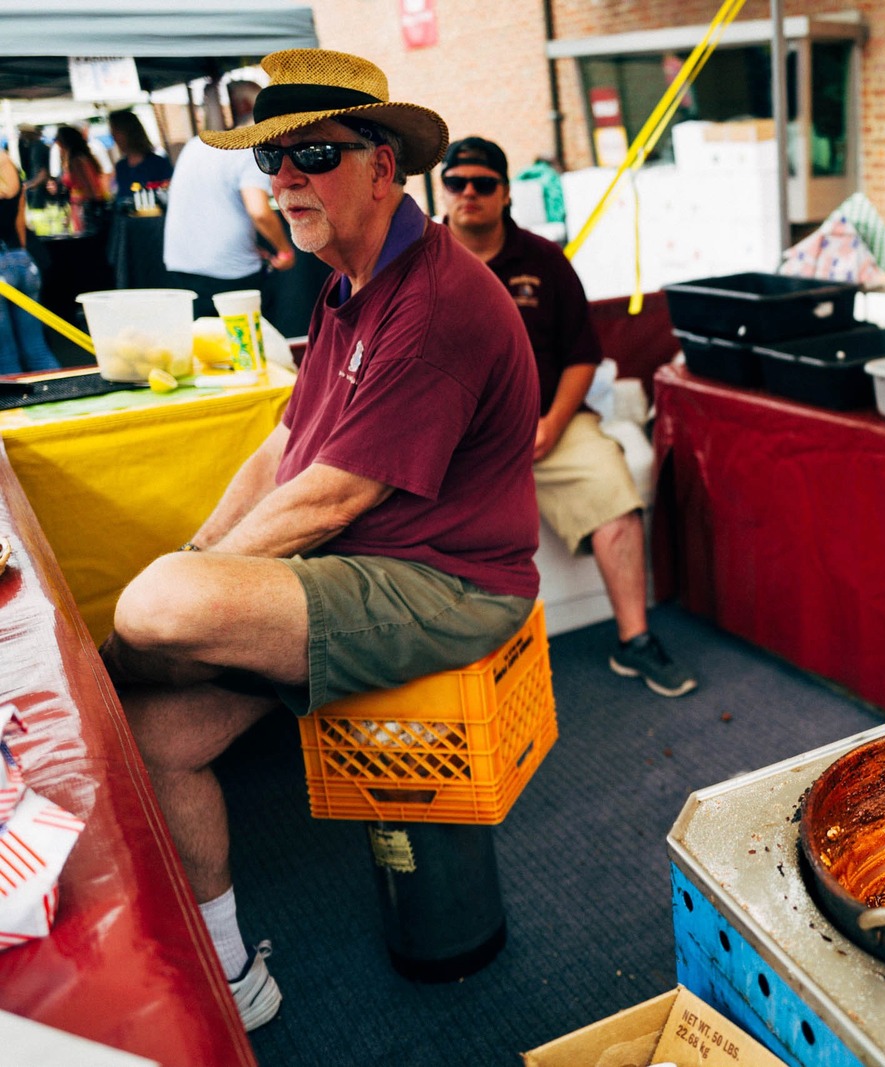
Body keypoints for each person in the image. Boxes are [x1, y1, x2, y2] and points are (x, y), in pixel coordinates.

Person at [99, 48, 543, 1031]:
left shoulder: (435, 298)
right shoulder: (349, 288)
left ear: (383, 166)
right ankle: (231, 971)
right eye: (273, 162)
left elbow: (328, 498)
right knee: (151, 733)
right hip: (360, 569)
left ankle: (110, 667)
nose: (287, 180)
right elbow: (279, 450)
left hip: (451, 583)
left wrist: (150, 621)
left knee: (159, 606)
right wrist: (196, 553)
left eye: (316, 154)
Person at [440, 135, 697, 697]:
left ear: (506, 193)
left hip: (548, 424)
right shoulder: (421, 262)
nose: (468, 194)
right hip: (456, 440)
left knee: (615, 495)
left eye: (483, 184)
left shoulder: (544, 260)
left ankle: (635, 641)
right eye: (456, 183)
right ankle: (456, 675)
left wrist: (553, 423)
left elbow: (583, 354)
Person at [163, 81, 296, 318]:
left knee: (206, 342)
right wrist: (284, 250)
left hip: (181, 263)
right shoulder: (248, 149)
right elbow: (258, 211)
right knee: (248, 339)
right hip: (227, 272)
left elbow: (209, 207)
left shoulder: (196, 145)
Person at [0, 150, 60, 374]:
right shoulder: (9, 165)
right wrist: (20, 253)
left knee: (5, 358)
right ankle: (60, 397)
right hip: (22, 261)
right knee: (37, 349)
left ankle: (18, 408)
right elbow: (20, 223)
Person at [107, 109, 173, 197]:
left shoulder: (158, 163)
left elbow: (169, 189)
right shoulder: (121, 167)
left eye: (116, 132)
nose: (114, 137)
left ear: (129, 132)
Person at [17, 124, 52, 209]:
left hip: (39, 192)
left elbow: (42, 173)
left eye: (23, 133)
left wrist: (29, 185)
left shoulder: (37, 147)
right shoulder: (34, 147)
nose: (21, 136)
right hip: (37, 190)